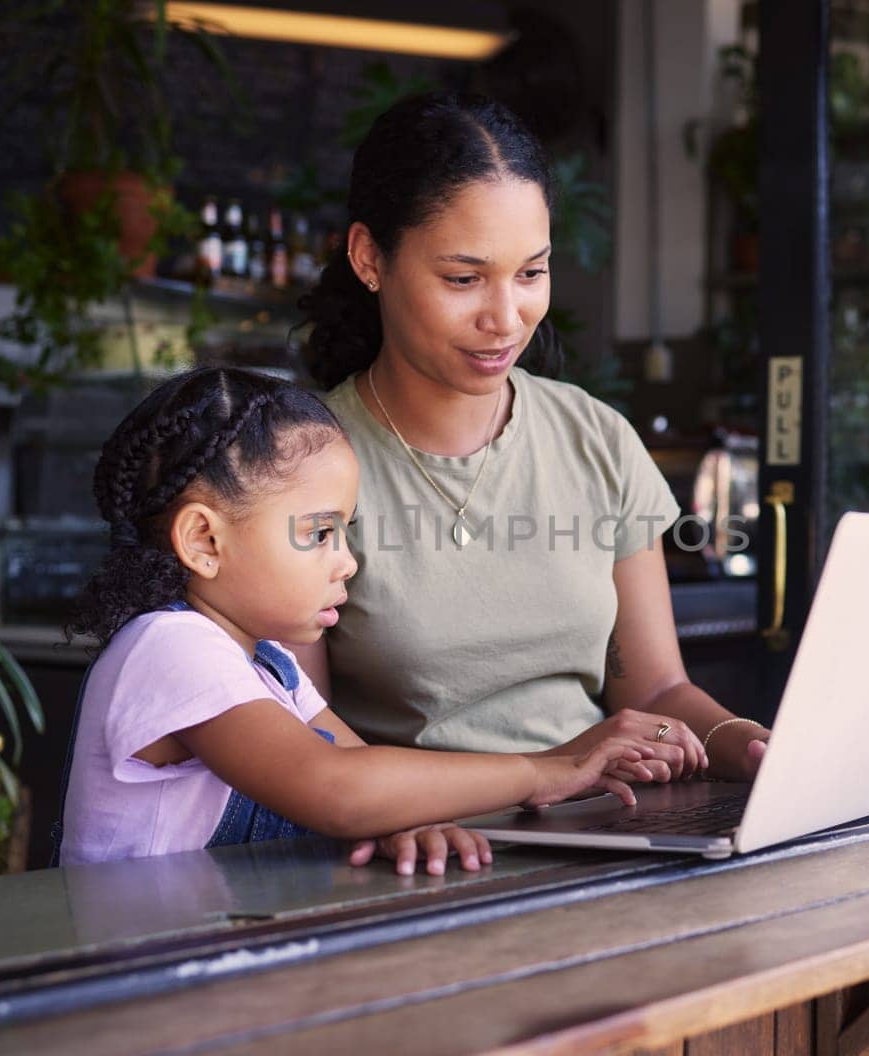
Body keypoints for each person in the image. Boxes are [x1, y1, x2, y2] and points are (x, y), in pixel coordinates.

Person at [295, 92, 771, 780]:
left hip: (604, 828)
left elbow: (657, 691)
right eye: (464, 278)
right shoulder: (305, 467)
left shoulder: (596, 438)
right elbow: (303, 729)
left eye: (532, 273)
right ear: (370, 258)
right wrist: (538, 772)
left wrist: (747, 742)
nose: (506, 317)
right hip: (423, 848)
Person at [58, 367, 671, 875]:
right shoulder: (171, 649)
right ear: (204, 541)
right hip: (141, 985)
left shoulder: (269, 668)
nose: (346, 561)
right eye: (321, 532)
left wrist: (412, 822)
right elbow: (337, 788)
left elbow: (367, 775)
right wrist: (546, 771)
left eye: (345, 532)